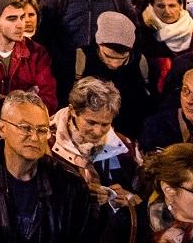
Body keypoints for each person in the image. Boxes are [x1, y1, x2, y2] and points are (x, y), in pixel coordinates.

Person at [0, 90, 98, 243]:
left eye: (42, 130)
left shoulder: (69, 184)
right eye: (25, 128)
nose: (34, 137)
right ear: (2, 128)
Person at [48, 76, 141, 206]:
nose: (97, 131)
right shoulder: (45, 142)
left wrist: (129, 199)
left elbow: (142, 199)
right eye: (91, 122)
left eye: (105, 124)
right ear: (73, 111)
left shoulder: (125, 147)